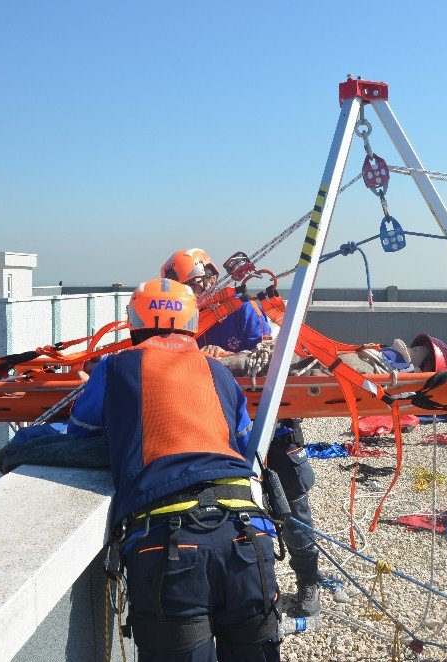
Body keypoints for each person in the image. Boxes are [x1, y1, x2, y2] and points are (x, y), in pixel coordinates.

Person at [75, 278, 281, 661]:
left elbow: (80, 434)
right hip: (248, 536)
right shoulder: (218, 372)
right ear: (192, 321)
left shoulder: (114, 368)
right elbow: (242, 444)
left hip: (168, 545)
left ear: (134, 321)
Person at [162, 248, 324, 617]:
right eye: (190, 284)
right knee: (234, 512)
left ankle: (309, 581)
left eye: (202, 281)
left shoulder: (240, 309)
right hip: (220, 429)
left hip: (273, 423)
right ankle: (253, 589)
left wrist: (226, 356)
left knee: (292, 505)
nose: (200, 289)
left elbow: (267, 353)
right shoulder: (182, 322)